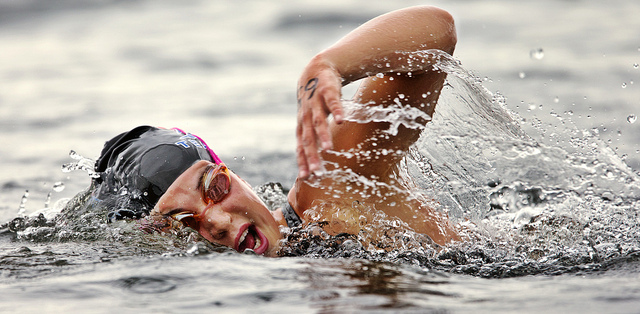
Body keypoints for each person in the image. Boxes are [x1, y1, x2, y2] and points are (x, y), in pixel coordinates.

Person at [90, 5, 459, 257]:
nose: (217, 223)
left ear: (233, 174)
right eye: (185, 221)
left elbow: (438, 31)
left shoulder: (331, 190)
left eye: (215, 187)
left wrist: (327, 64)